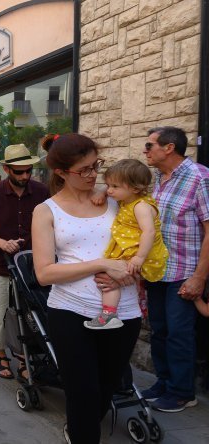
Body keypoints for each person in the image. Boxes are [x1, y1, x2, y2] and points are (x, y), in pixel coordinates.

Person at [32, 133, 141, 442]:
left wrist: (133, 272)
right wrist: (101, 264)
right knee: (82, 390)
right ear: (61, 172)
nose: (93, 175)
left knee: (106, 388)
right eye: (84, 170)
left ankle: (81, 428)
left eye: (96, 166)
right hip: (70, 310)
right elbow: (44, 273)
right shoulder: (46, 211)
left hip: (124, 310)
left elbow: (149, 245)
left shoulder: (118, 200)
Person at [140, 126, 209, 412]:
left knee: (179, 334)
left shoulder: (199, 178)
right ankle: (164, 382)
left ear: (169, 148)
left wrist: (199, 277)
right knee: (159, 330)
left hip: (184, 272)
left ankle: (182, 392)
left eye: (149, 145)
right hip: (157, 271)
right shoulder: (158, 178)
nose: (145, 151)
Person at [0, 143, 49, 380]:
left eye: (28, 171)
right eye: (19, 172)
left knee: (30, 314)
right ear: (7, 169)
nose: (25, 176)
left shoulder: (41, 192)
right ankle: (0, 355)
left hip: (32, 267)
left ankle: (24, 357)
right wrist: (1, 243)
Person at [88, 159, 168, 329]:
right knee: (109, 275)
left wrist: (139, 258)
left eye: (114, 187)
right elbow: (110, 188)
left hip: (141, 253)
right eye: (108, 185)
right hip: (133, 251)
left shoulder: (141, 206)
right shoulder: (128, 199)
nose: (110, 190)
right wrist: (103, 191)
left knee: (108, 277)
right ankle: (111, 313)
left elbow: (149, 232)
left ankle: (109, 315)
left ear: (135, 188)